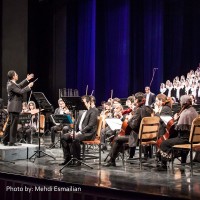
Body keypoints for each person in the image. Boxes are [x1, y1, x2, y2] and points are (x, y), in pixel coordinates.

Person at [104, 92, 153, 167]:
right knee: (120, 139)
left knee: (117, 139)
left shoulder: (139, 110)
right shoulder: (148, 109)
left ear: (136, 100)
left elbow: (134, 126)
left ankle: (112, 160)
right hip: (147, 136)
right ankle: (115, 157)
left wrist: (129, 119)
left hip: (138, 137)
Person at [157, 95, 198, 171]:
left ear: (183, 103)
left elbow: (178, 128)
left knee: (164, 143)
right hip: (192, 139)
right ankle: (182, 159)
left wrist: (175, 119)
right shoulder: (194, 111)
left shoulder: (185, 113)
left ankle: (164, 165)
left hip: (185, 139)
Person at [59, 95, 98, 166]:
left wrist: (79, 133)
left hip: (88, 134)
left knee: (75, 138)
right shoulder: (82, 111)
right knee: (63, 137)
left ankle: (77, 160)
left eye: (84, 102)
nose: (82, 104)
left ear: (89, 102)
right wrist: (74, 131)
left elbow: (90, 125)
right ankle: (68, 158)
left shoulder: (94, 111)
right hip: (79, 132)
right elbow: (77, 123)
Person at [3, 70, 34, 146]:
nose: (17, 75)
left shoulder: (12, 84)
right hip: (14, 108)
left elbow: (19, 85)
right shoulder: (11, 85)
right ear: (13, 76)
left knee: (10, 124)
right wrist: (28, 86)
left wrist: (27, 80)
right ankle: (12, 142)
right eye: (16, 74)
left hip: (13, 107)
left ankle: (5, 140)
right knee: (13, 125)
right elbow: (20, 91)